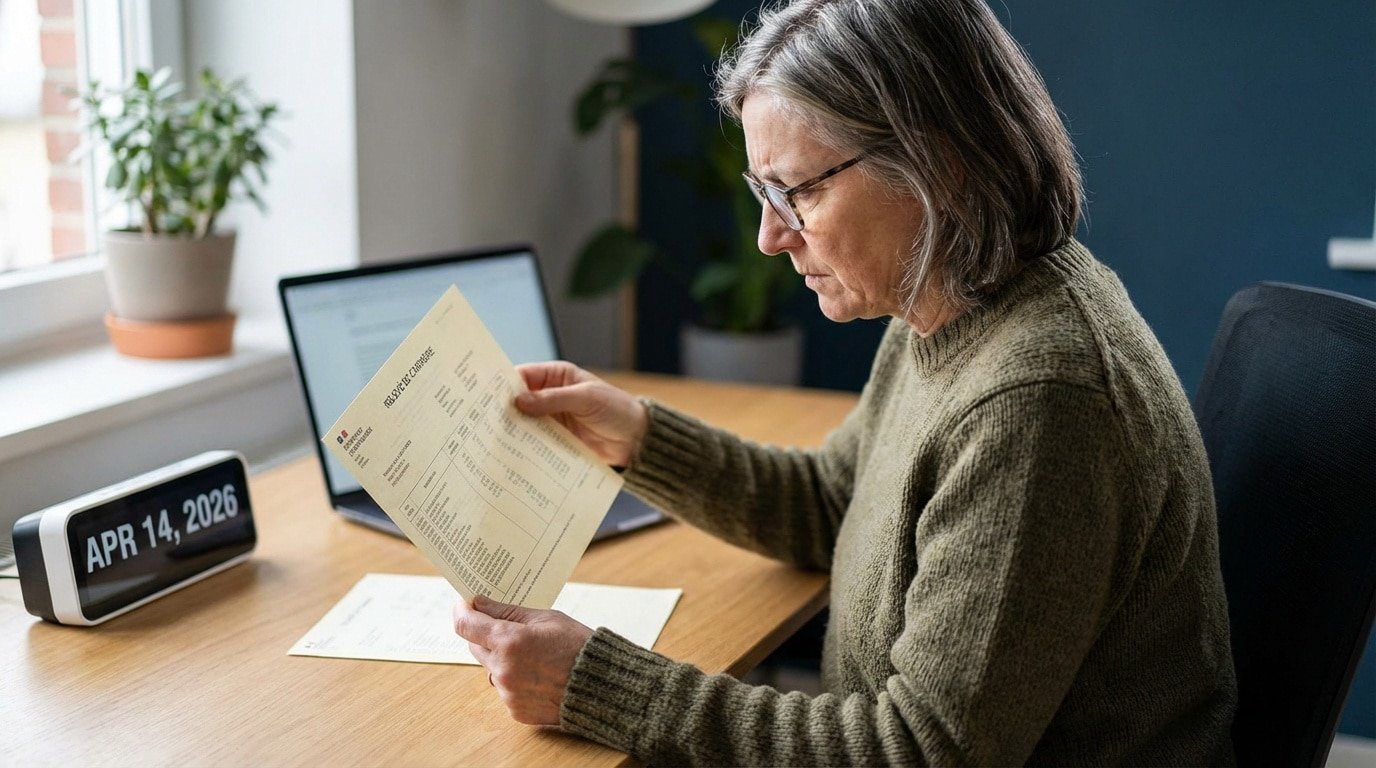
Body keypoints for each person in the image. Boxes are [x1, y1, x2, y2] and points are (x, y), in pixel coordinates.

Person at [453, 0, 1238, 764]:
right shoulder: (946, 299)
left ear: (936, 164)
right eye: (764, 192)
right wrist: (641, 439)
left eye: (797, 190)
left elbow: (922, 750)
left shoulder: (1036, 402)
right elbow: (837, 503)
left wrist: (599, 686)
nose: (770, 236)